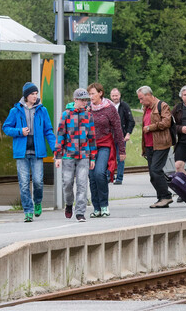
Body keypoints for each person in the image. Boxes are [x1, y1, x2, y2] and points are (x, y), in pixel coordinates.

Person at [2, 82, 57, 222]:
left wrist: (56, 150)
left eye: (36, 94)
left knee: (38, 181)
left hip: (37, 152)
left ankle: (37, 201)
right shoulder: (15, 110)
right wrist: (19, 131)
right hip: (22, 153)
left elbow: (48, 131)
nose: (35, 96)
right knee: (24, 183)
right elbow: (6, 128)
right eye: (32, 94)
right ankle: (28, 211)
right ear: (26, 95)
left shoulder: (42, 110)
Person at [54, 89, 97, 222]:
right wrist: (58, 155)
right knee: (67, 183)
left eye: (86, 100)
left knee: (82, 184)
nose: (84, 102)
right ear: (75, 100)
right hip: (68, 155)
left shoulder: (88, 115)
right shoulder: (66, 115)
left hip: (84, 155)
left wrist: (93, 156)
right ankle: (68, 203)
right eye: (82, 100)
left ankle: (80, 212)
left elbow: (92, 137)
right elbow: (60, 134)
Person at [87, 83, 126, 218]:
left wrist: (121, 150)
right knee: (91, 177)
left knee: (99, 173)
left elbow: (118, 130)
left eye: (93, 94)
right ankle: (96, 208)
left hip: (105, 145)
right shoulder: (87, 109)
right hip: (90, 147)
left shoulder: (109, 109)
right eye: (89, 94)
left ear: (100, 93)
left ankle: (104, 206)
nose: (90, 96)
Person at [137, 85, 174, 208]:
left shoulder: (162, 105)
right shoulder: (145, 108)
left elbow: (166, 122)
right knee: (153, 174)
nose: (141, 101)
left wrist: (150, 127)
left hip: (161, 144)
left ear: (148, 95)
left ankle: (166, 196)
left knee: (156, 170)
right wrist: (143, 149)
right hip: (149, 145)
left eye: (142, 98)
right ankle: (161, 198)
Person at [110, 88, 135, 185]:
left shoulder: (124, 106)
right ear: (110, 96)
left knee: (120, 157)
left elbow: (131, 121)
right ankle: (110, 176)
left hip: (121, 136)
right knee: (109, 157)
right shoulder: (109, 106)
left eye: (116, 95)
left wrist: (128, 133)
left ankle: (119, 178)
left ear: (119, 95)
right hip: (110, 136)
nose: (115, 97)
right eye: (113, 96)